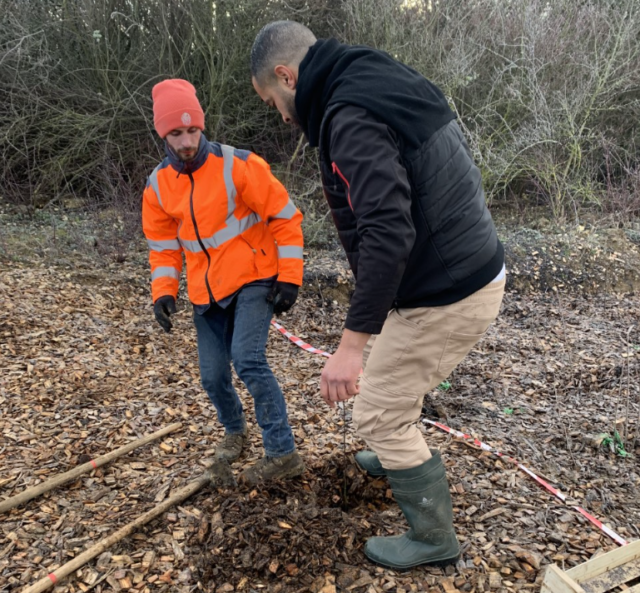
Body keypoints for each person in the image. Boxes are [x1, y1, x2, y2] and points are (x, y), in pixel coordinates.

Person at [250, 23, 506, 568]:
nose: (282, 116)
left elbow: (387, 232)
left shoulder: (349, 115)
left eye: (274, 102)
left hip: (449, 291)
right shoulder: (371, 74)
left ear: (286, 75)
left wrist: (351, 347)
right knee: (391, 389)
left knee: (377, 413)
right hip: (460, 267)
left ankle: (433, 541)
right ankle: (396, 456)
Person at [142, 78, 306, 485]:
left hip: (254, 277)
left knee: (247, 359)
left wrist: (290, 278)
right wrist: (163, 292)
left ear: (202, 125)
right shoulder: (158, 185)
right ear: (162, 133)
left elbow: (286, 218)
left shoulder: (239, 165)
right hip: (205, 290)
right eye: (176, 133)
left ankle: (282, 452)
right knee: (212, 376)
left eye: (193, 130)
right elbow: (164, 249)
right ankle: (235, 431)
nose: (186, 141)